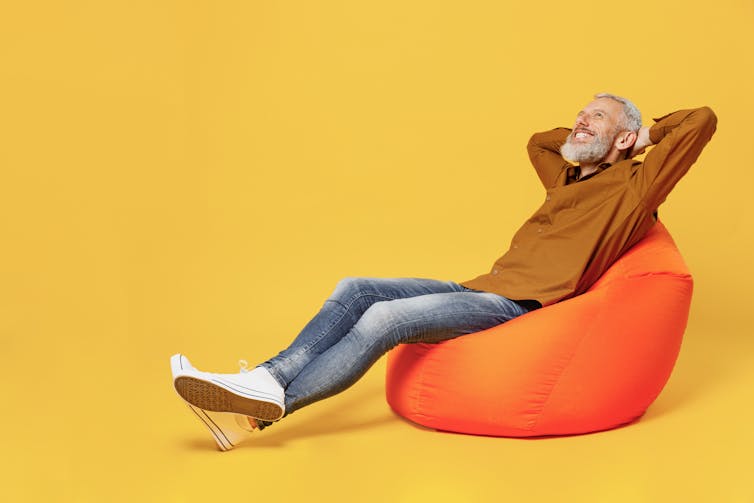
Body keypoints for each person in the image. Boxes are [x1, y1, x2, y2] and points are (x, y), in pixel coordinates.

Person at [170, 93, 717, 450]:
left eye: (596, 116)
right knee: (355, 288)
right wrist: (588, 137)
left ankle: (267, 407)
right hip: (477, 287)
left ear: (625, 138)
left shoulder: (635, 188)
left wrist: (641, 138)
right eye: (582, 112)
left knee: (385, 318)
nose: (580, 120)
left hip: (515, 306)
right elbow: (537, 141)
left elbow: (701, 121)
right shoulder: (565, 183)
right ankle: (262, 381)